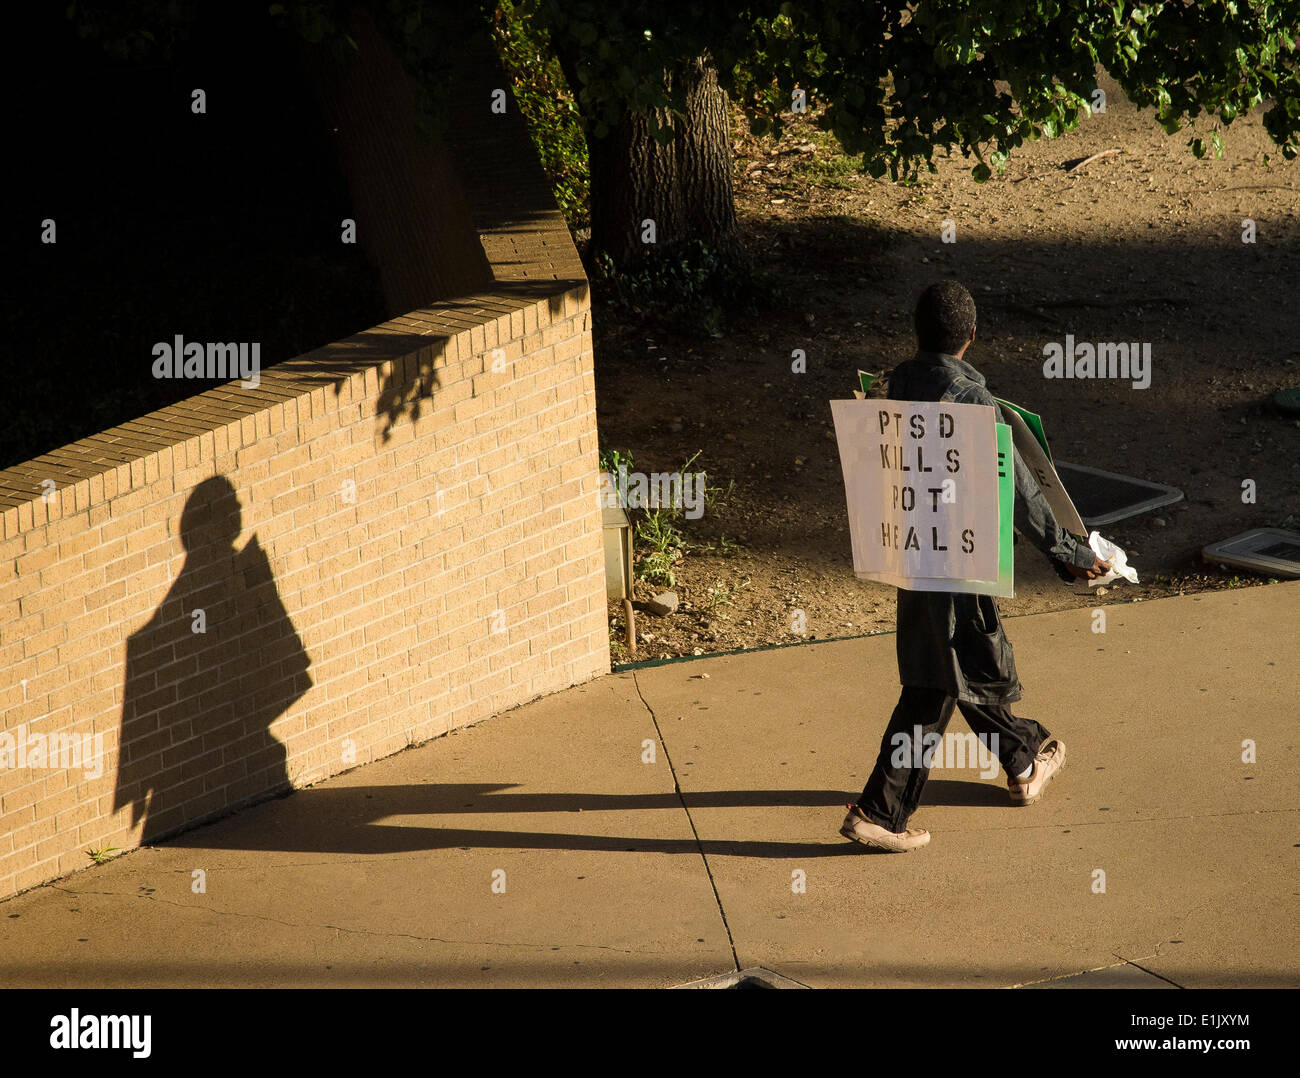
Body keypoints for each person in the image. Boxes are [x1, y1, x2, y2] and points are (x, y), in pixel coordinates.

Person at [840, 280, 1110, 852]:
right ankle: (878, 813)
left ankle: (1023, 758)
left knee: (955, 671)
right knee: (937, 683)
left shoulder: (886, 389)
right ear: (972, 335)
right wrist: (1072, 554)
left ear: (918, 333)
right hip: (961, 562)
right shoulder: (972, 402)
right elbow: (1020, 497)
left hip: (911, 556)